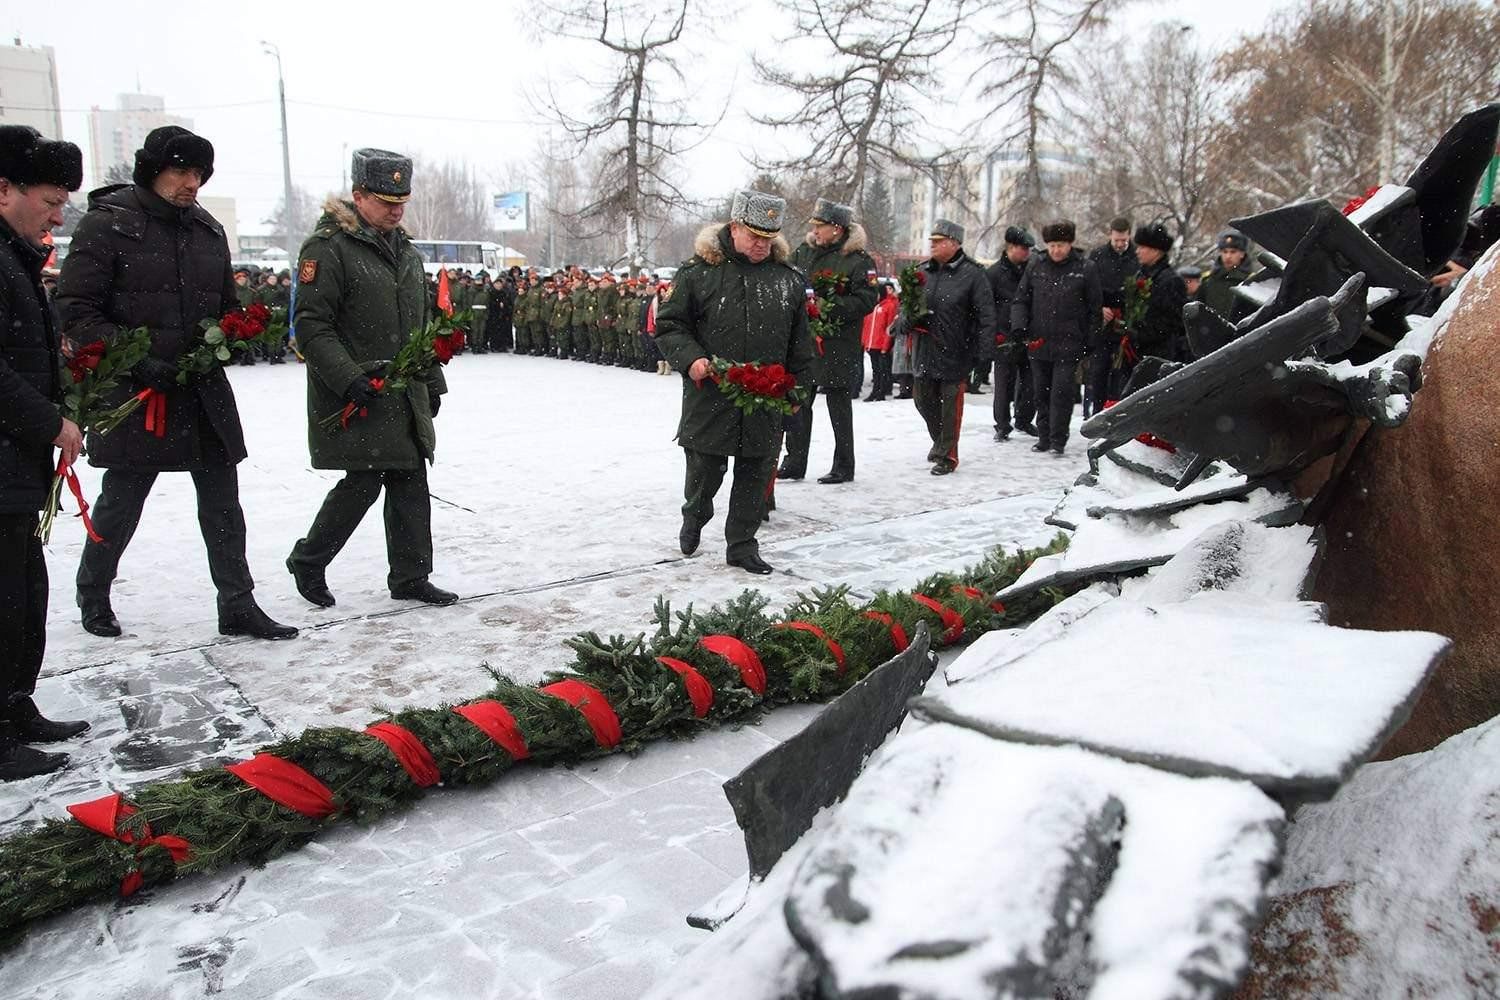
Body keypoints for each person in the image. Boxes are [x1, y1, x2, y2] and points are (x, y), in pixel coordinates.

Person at [58, 125, 296, 642]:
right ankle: (93, 592)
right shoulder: (108, 226)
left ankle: (237, 602)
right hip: (137, 394)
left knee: (223, 501)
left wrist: (235, 333)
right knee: (122, 499)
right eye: (181, 171)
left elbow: (225, 308)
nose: (192, 183)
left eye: (199, 174)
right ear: (152, 170)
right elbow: (76, 310)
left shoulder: (208, 230)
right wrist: (135, 360)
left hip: (200, 388)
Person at [286, 148, 457, 608]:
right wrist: (348, 379)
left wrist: (432, 385)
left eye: (401, 201)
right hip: (360, 391)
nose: (396, 210)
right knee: (363, 481)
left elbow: (421, 326)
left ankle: (410, 576)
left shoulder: (405, 252)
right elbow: (312, 325)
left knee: (410, 480)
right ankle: (309, 560)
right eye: (385, 201)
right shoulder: (329, 249)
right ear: (358, 197)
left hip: (405, 391)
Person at [655, 190, 814, 574]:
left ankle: (742, 545)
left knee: (756, 471)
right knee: (706, 470)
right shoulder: (698, 273)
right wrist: (691, 358)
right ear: (735, 227)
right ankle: (695, 514)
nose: (761, 245)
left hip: (766, 395)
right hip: (712, 393)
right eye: (754, 236)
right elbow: (670, 324)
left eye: (768, 238)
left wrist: (798, 391)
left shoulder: (787, 280)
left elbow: (801, 343)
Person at [0, 125, 92, 779]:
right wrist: (50, 423)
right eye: (51, 200)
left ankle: (14, 705)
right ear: (4, 190)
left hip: (15, 463)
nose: (59, 214)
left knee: (24, 593)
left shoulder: (16, 258)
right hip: (7, 455)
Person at [780, 199, 878, 484]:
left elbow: (867, 299)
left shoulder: (858, 259)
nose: (816, 231)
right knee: (799, 400)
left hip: (839, 342)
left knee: (838, 403)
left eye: (820, 226)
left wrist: (828, 307)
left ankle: (844, 465)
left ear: (837, 228)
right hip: (805, 341)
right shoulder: (804, 253)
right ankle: (795, 461)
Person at [1011, 220, 1103, 456]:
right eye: (1051, 245)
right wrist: (1020, 326)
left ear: (1070, 244)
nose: (1056, 250)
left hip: (1069, 341)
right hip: (1039, 341)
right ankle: (1044, 437)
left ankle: (1058, 439)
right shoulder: (1036, 265)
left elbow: (1095, 308)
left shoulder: (1085, 268)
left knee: (1061, 392)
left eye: (1060, 245)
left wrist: (1091, 339)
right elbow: (1021, 300)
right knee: (1040, 391)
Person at [911, 220, 995, 475]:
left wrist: (984, 353)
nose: (933, 245)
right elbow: (908, 306)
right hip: (925, 349)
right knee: (922, 399)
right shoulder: (922, 272)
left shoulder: (973, 275)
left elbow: (986, 316)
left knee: (950, 406)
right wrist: (909, 319)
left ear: (955, 244)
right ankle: (940, 440)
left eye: (939, 241)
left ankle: (948, 454)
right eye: (932, 241)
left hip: (956, 349)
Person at [985, 225, 1036, 441]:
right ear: (1010, 247)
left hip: (1027, 334)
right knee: (1004, 385)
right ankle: (1002, 424)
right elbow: (987, 307)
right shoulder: (994, 273)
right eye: (1023, 248)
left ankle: (1024, 419)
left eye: (1028, 249)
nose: (1027, 253)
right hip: (1004, 336)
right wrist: (994, 332)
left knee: (1030, 382)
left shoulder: (1031, 271)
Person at [1087, 216, 1139, 414]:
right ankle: (1098, 412)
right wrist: (1099, 308)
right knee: (1099, 370)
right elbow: (1089, 287)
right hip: (1104, 322)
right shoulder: (1098, 256)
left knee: (1124, 372)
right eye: (1117, 240)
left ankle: (1119, 412)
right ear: (1110, 235)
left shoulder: (1136, 256)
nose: (1120, 244)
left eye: (1124, 240)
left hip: (1127, 321)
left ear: (1129, 236)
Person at [1129, 222, 1189, 363]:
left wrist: (1140, 334)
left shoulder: (1171, 281)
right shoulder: (1140, 275)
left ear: (1156, 251)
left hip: (1160, 354)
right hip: (1137, 352)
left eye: (1142, 247)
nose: (1137, 251)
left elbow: (1171, 323)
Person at [1195, 231, 1252, 321]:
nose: (1228, 256)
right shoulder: (1208, 281)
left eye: (1233, 252)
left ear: (1242, 254)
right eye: (1225, 252)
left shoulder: (1251, 282)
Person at [860, 281, 899, 401]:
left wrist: (885, 346)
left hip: (881, 345)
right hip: (872, 344)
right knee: (876, 371)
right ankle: (876, 391)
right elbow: (866, 326)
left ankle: (881, 391)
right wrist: (865, 342)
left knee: (882, 371)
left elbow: (889, 327)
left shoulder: (889, 306)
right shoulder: (872, 307)